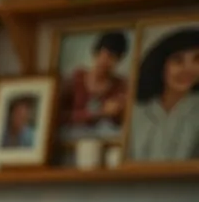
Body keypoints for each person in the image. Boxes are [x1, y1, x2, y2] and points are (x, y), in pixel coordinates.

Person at [128, 27, 199, 162]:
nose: (188, 69)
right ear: (160, 64)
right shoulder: (137, 111)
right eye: (178, 60)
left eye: (197, 60)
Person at [58, 31, 129, 138]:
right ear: (95, 53)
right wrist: (100, 112)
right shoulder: (75, 79)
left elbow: (123, 124)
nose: (107, 62)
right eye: (106, 55)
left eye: (114, 58)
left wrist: (119, 111)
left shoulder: (120, 86)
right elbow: (57, 116)